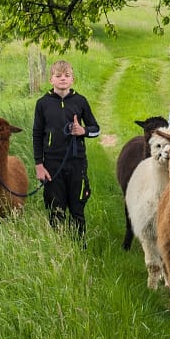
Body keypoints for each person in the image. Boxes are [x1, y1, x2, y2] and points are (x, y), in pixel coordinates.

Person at [32, 60, 99, 235]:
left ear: (72, 79)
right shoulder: (42, 103)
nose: (63, 78)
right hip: (52, 165)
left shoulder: (80, 101)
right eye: (58, 75)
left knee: (77, 210)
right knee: (56, 210)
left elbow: (96, 129)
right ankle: (58, 245)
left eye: (67, 75)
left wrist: (83, 131)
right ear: (51, 80)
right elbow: (37, 135)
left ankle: (79, 245)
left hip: (77, 163)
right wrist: (39, 165)